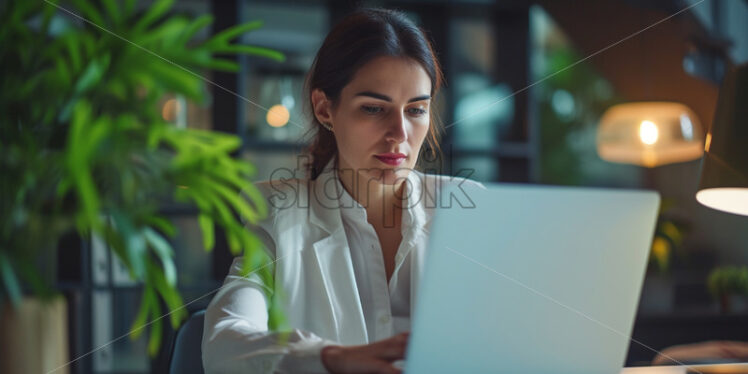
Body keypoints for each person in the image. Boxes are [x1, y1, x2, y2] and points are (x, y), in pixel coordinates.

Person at [201, 7, 484, 374]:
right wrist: (329, 358)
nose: (399, 134)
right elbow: (224, 346)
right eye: (373, 108)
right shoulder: (278, 213)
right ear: (324, 109)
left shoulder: (469, 211)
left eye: (415, 110)